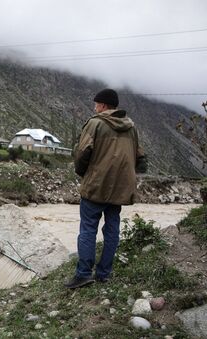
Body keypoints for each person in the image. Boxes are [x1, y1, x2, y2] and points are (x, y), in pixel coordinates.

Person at [65, 88, 147, 289]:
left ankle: (84, 274)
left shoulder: (95, 123)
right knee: (112, 229)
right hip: (120, 189)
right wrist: (129, 177)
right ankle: (104, 274)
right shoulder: (131, 127)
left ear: (103, 105)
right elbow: (141, 158)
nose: (94, 107)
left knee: (88, 229)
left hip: (96, 186)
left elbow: (82, 153)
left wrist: (83, 173)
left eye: (96, 104)